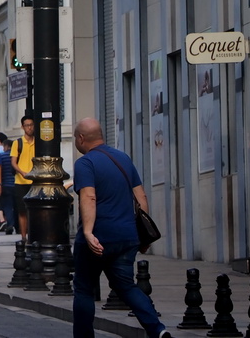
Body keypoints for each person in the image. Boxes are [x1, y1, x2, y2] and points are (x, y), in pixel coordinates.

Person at [72, 117, 170, 338]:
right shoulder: (123, 158)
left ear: (80, 138)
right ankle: (158, 330)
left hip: (98, 238)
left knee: (84, 289)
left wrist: (88, 232)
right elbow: (141, 196)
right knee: (126, 286)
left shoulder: (85, 163)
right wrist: (143, 236)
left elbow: (89, 197)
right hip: (127, 237)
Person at [11, 114, 37, 241]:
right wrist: (22, 172)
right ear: (23, 127)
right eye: (27, 125)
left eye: (31, 125)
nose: (29, 128)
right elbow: (13, 162)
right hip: (20, 182)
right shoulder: (18, 143)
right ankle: (23, 236)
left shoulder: (38, 142)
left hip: (34, 181)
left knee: (34, 211)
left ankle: (33, 235)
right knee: (22, 211)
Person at [0, 132, 16, 235]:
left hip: (5, 185)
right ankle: (18, 226)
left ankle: (10, 224)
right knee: (16, 206)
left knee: (7, 206)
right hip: (16, 184)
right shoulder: (16, 158)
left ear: (6, 146)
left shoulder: (1, 157)